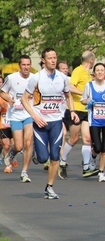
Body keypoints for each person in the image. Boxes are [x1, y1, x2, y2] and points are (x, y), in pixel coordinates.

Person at [21, 48, 78, 199]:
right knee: (42, 158)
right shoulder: (36, 78)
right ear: (43, 60)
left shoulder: (62, 78)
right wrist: (34, 116)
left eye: (55, 57)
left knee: (54, 157)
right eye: (50, 58)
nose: (53, 60)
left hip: (56, 122)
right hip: (40, 123)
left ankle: (50, 187)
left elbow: (68, 95)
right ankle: (37, 153)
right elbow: (24, 99)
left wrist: (72, 111)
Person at [59, 50, 97, 179]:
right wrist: (84, 94)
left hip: (87, 110)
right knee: (74, 138)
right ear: (91, 60)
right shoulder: (78, 71)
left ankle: (86, 167)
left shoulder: (88, 74)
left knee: (87, 138)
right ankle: (62, 161)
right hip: (76, 109)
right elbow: (70, 87)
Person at [0, 55, 34, 181]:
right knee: (18, 146)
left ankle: (24, 172)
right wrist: (8, 98)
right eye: (23, 65)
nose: (26, 67)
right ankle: (12, 153)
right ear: (20, 66)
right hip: (15, 115)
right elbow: (2, 91)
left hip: (29, 114)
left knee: (29, 142)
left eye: (28, 65)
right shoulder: (12, 78)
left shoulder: (34, 78)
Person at [82, 63, 105, 182]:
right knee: (97, 146)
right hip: (95, 121)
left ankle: (101, 172)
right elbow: (83, 100)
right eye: (98, 70)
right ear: (94, 73)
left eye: (102, 70)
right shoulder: (89, 85)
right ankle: (92, 158)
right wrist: (88, 101)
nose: (100, 72)